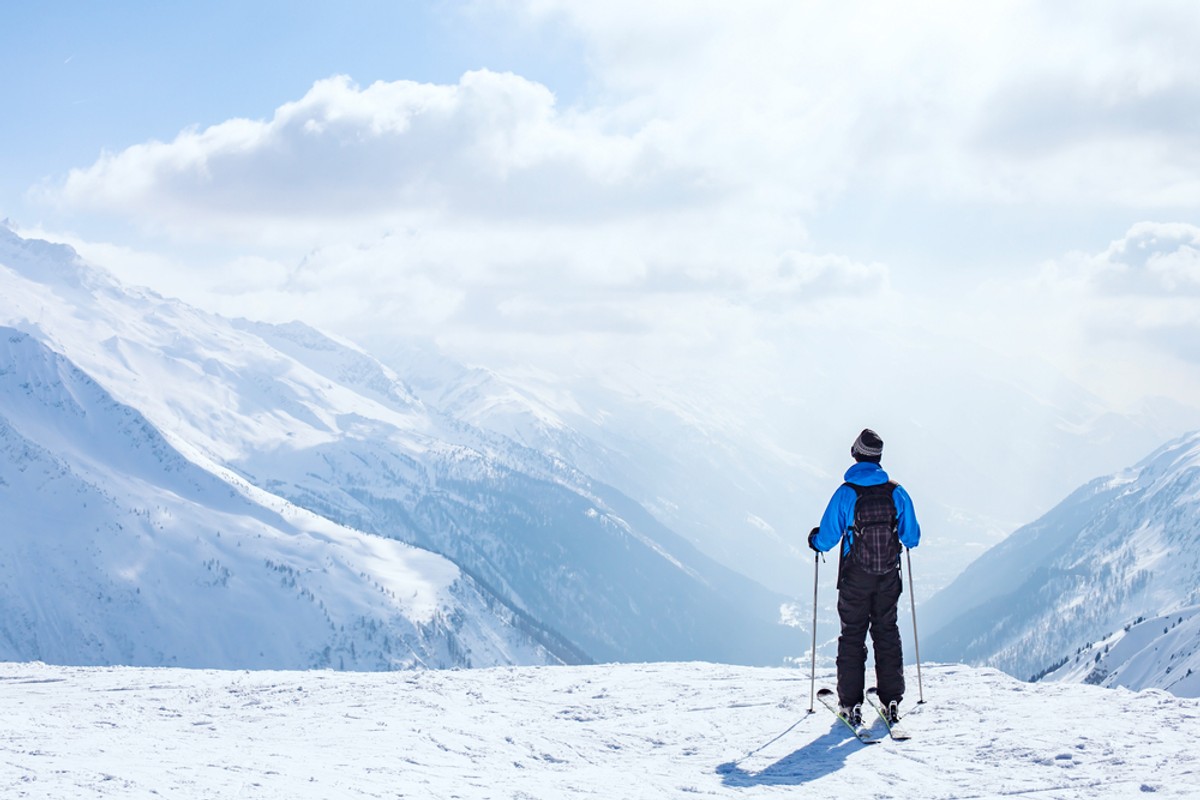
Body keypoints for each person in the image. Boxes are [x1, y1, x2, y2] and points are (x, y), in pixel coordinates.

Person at [808, 428, 920, 727]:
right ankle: (892, 699)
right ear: (879, 458)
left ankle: (851, 704)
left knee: (852, 636)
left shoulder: (846, 493)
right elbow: (912, 537)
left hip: (854, 577)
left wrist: (814, 541)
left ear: (856, 455)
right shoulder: (896, 492)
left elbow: (828, 537)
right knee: (886, 633)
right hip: (887, 576)